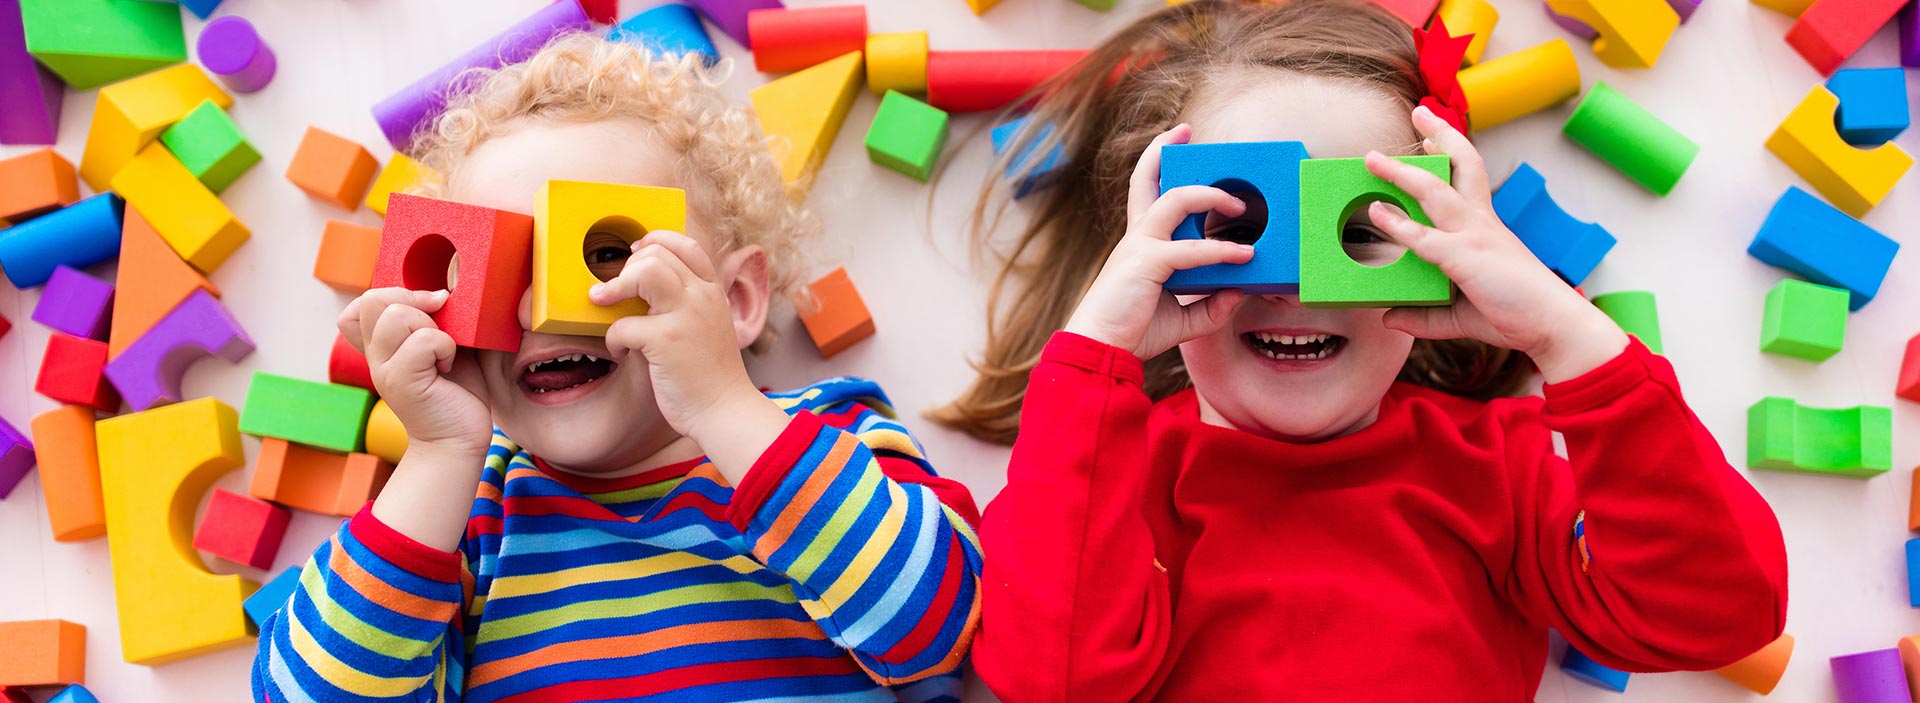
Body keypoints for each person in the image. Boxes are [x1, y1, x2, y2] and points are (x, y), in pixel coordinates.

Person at [940, 1, 1788, 699]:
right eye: (1242, 229)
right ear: (1157, 253)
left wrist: (1565, 336)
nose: (1298, 288)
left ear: (1442, 256)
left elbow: (1724, 611)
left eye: (1354, 231)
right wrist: (1096, 355)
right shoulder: (1117, 479)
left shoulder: (1497, 470)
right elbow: (1049, 681)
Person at [253, 34, 982, 703]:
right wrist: (438, 454)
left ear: (734, 300)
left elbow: (942, 626)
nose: (540, 310)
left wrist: (726, 405)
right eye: (497, 270)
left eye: (604, 251)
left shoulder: (829, 434)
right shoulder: (466, 514)